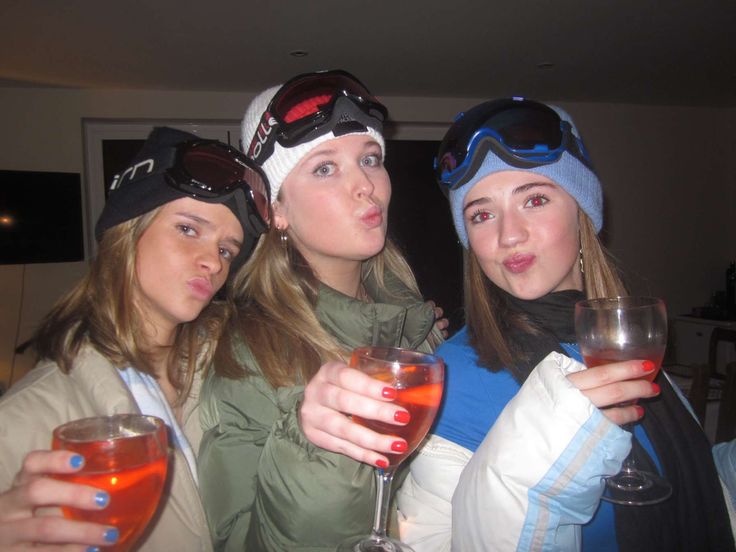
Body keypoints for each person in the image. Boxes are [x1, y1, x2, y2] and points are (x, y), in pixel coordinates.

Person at [394, 97, 736, 551]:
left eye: (534, 199)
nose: (507, 235)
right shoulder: (454, 378)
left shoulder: (624, 343)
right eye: (481, 214)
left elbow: (701, 484)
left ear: (583, 213)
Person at [196, 69, 444, 551]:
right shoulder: (249, 358)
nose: (366, 187)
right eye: (325, 168)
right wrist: (315, 445)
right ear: (277, 210)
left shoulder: (413, 322)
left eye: (370, 159)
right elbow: (238, 542)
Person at [0, 127, 270, 550]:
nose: (212, 263)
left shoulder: (234, 370)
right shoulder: (20, 421)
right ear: (128, 230)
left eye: (226, 250)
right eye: (188, 229)